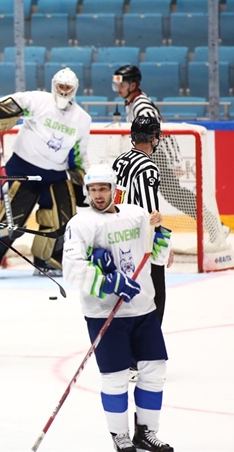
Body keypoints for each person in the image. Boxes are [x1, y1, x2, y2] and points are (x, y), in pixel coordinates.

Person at [62, 164, 174, 452]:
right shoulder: (81, 222)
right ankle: (119, 436)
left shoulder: (136, 215)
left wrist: (160, 232)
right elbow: (72, 270)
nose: (98, 195)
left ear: (115, 190)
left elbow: (158, 258)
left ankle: (146, 431)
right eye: (93, 190)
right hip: (104, 313)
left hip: (143, 308)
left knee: (154, 370)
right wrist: (110, 282)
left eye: (103, 189)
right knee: (114, 377)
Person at [0, 67, 92, 276]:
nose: (63, 91)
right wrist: (2, 113)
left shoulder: (82, 119)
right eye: (60, 86)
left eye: (67, 87)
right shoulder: (39, 100)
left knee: (61, 219)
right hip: (22, 170)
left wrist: (81, 178)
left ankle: (47, 260)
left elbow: (79, 153)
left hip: (55, 175)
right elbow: (15, 101)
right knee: (10, 221)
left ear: (74, 90)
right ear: (54, 86)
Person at [112, 64, 228, 242]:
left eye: (122, 84)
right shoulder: (133, 103)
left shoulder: (142, 106)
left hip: (156, 155)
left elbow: (162, 131)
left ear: (133, 85)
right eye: (116, 85)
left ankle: (215, 226)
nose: (118, 89)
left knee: (174, 195)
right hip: (150, 154)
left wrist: (174, 161)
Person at [112, 115, 173, 328]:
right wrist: (166, 246)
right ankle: (148, 347)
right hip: (141, 239)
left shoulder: (119, 160)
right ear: (154, 137)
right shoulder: (148, 168)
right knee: (155, 293)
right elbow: (151, 213)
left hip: (117, 235)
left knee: (125, 292)